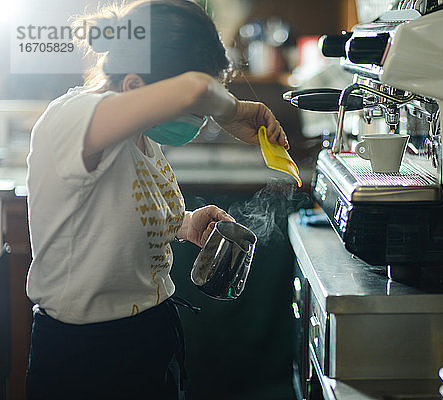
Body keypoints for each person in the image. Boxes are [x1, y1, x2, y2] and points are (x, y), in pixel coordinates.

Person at [24, 1, 289, 399]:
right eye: (198, 109)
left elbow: (112, 211)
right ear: (133, 87)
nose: (202, 116)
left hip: (150, 335)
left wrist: (181, 222)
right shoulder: (75, 118)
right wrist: (232, 110)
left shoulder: (143, 135)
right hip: (88, 356)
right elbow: (193, 89)